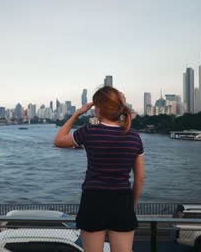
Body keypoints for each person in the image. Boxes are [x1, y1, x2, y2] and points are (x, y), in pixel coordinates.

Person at [54, 86, 145, 252]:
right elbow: (139, 178)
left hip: (93, 198)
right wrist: (131, 205)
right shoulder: (133, 136)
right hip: (122, 199)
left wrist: (76, 114)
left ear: (98, 108)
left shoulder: (90, 131)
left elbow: (59, 140)